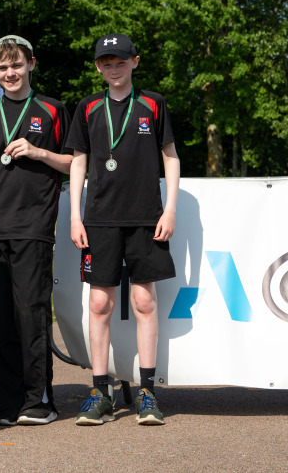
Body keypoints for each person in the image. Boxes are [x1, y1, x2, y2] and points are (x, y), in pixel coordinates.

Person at [67, 33, 179, 426]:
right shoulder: (87, 107)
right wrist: (74, 216)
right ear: (98, 67)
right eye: (106, 62)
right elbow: (78, 162)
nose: (113, 68)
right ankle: (100, 392)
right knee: (99, 305)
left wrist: (170, 210)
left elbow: (171, 158)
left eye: (120, 60)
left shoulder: (152, 103)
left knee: (144, 303)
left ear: (134, 61)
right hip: (99, 218)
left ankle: (147, 392)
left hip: (146, 216)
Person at [0, 35, 73, 426]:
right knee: (2, 319)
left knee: (32, 314)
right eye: (2, 67)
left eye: (16, 64)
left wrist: (40, 152)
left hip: (34, 226)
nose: (10, 72)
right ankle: (9, 404)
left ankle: (38, 401)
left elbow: (75, 165)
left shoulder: (54, 110)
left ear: (31, 64)